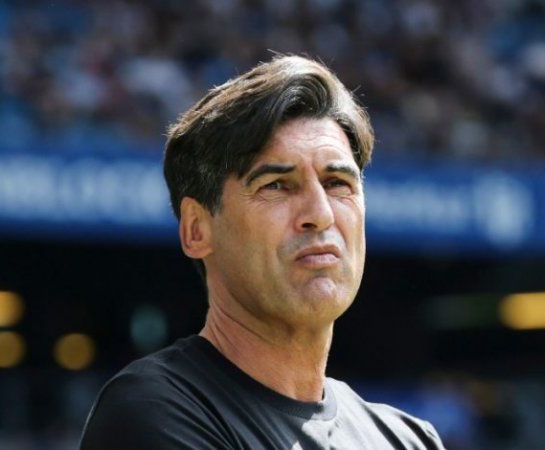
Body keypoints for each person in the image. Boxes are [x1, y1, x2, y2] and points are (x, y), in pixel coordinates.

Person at [79, 55, 445, 449]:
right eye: (276, 185)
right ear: (197, 229)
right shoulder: (153, 411)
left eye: (337, 183)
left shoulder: (410, 439)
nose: (320, 214)